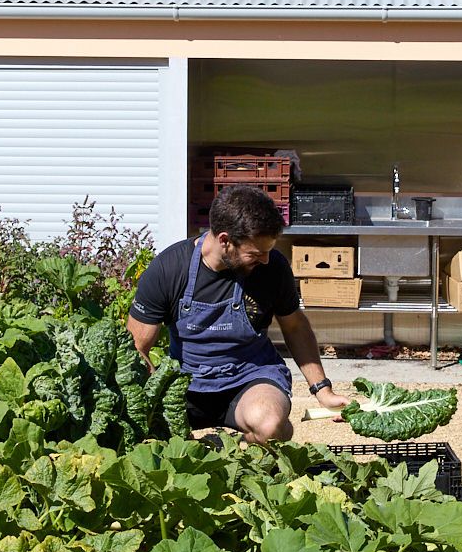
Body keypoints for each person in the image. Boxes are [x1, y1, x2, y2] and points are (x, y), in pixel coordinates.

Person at [128, 184, 349, 442]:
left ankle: (265, 437)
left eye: (268, 251)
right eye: (256, 253)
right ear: (225, 241)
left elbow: (295, 327)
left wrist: (322, 390)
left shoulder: (273, 268)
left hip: (250, 378)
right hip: (185, 385)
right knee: (152, 434)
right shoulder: (169, 269)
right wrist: (156, 400)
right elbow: (136, 349)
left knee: (269, 425)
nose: (265, 260)